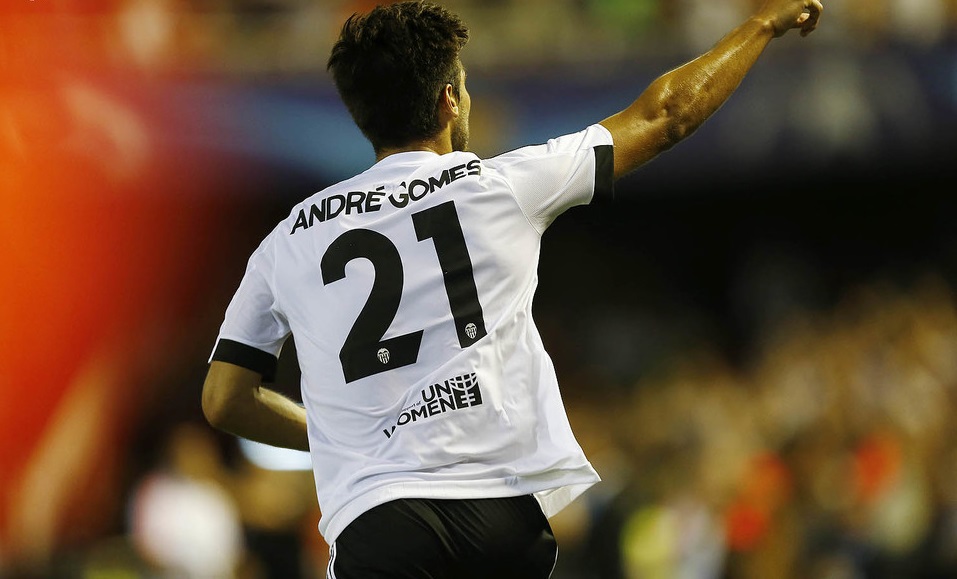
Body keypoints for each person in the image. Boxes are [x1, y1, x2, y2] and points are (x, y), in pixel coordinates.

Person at [201, 1, 823, 577]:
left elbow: (224, 398)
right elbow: (666, 116)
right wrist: (760, 25)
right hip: (500, 513)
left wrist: (336, 434)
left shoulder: (289, 240)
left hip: (378, 521)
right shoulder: (499, 186)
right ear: (449, 100)